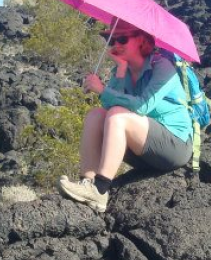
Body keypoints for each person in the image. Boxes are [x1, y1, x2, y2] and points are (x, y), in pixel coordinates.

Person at [58, 20, 193, 212]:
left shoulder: (163, 67)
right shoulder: (123, 69)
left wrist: (103, 89)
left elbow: (142, 106)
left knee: (117, 116)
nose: (116, 45)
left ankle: (100, 189)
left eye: (122, 39)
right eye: (111, 40)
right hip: (144, 150)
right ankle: (87, 183)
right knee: (96, 115)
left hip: (174, 147)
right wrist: (120, 70)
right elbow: (106, 104)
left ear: (141, 40)